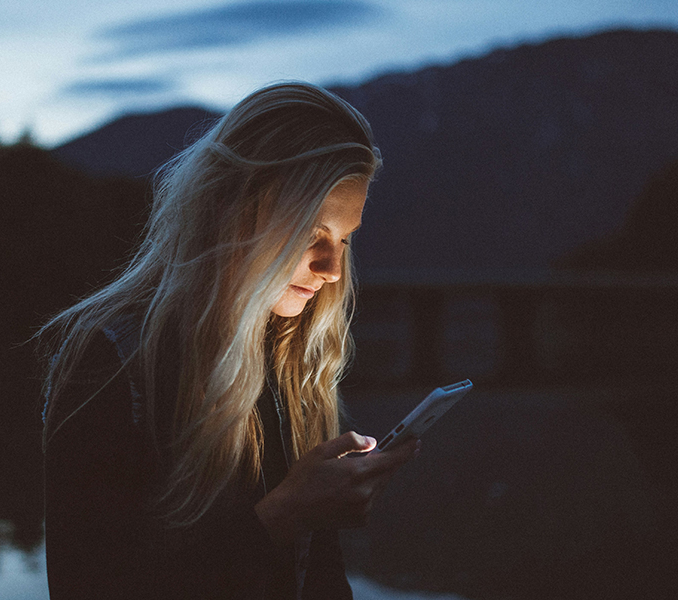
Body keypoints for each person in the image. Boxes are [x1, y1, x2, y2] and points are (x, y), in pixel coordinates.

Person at [37, 81, 419, 599]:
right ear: (235, 207)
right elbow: (87, 585)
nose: (332, 269)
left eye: (345, 239)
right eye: (312, 234)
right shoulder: (112, 361)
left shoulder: (289, 356)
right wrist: (286, 514)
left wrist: (313, 511)